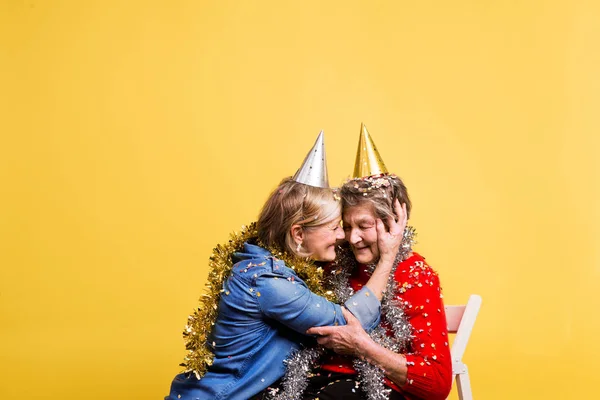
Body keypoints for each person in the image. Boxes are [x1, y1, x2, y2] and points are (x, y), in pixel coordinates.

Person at [164, 131, 407, 400]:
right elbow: (347, 323)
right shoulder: (269, 283)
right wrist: (388, 257)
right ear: (298, 234)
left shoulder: (266, 265)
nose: (344, 237)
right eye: (336, 227)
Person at [303, 124, 453, 400]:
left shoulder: (416, 276)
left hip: (378, 389)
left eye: (364, 225)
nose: (353, 238)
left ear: (393, 222)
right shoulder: (333, 264)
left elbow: (438, 382)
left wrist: (363, 346)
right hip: (318, 381)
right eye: (347, 226)